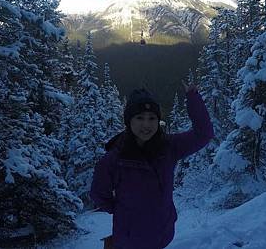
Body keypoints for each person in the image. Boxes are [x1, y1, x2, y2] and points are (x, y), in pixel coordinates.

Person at [90, 82, 214, 249]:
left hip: (162, 235)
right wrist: (122, 212)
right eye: (139, 118)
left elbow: (203, 134)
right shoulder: (114, 159)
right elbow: (99, 194)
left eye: (152, 118)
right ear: (129, 120)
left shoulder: (169, 147)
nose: (146, 125)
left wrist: (193, 97)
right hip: (129, 242)